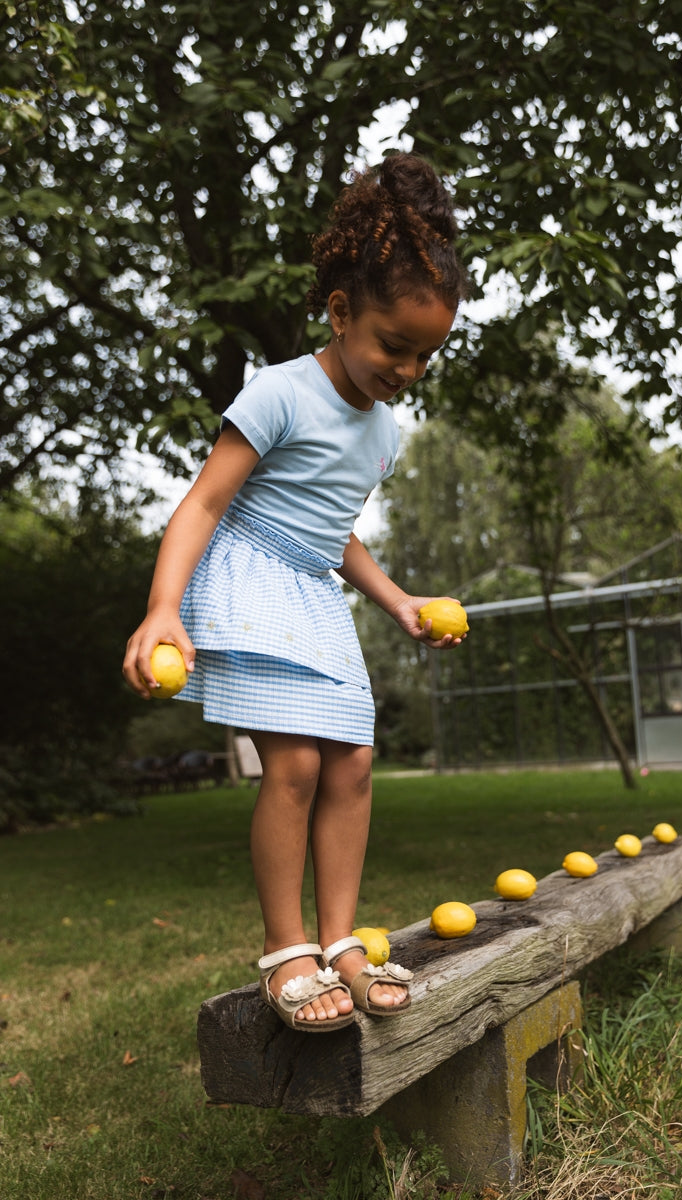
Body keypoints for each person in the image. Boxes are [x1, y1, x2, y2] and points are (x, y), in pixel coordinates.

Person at [123, 153, 471, 1031]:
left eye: (427, 354)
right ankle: (288, 949)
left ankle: (343, 939)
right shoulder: (279, 391)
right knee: (297, 764)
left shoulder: (384, 431)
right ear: (342, 311)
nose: (408, 369)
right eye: (395, 345)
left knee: (353, 765)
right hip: (250, 581)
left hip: (314, 593)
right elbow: (205, 500)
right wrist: (164, 607)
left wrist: (394, 601)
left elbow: (333, 530)